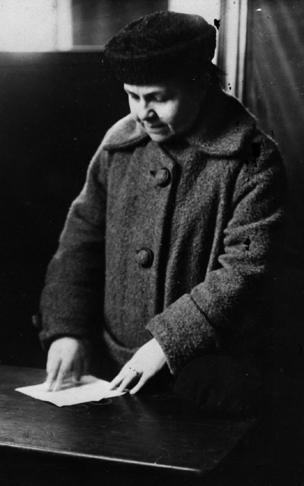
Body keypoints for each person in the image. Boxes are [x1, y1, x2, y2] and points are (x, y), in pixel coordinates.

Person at [38, 11, 286, 415]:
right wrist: (67, 331)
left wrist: (168, 343)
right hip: (109, 367)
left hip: (201, 378)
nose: (141, 112)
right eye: (132, 95)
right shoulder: (119, 147)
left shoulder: (252, 159)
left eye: (157, 97)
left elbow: (245, 269)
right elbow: (80, 243)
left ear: (199, 84)